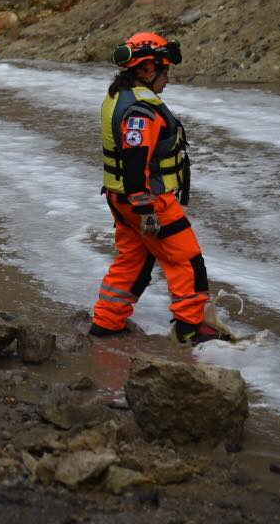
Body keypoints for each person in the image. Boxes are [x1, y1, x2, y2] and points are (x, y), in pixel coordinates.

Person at [89, 31, 223, 345]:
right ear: (148, 70)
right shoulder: (141, 111)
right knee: (187, 261)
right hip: (149, 201)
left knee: (133, 261)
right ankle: (191, 329)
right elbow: (136, 162)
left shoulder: (118, 96)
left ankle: (106, 322)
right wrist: (147, 209)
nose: (167, 80)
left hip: (120, 199)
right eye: (165, 72)